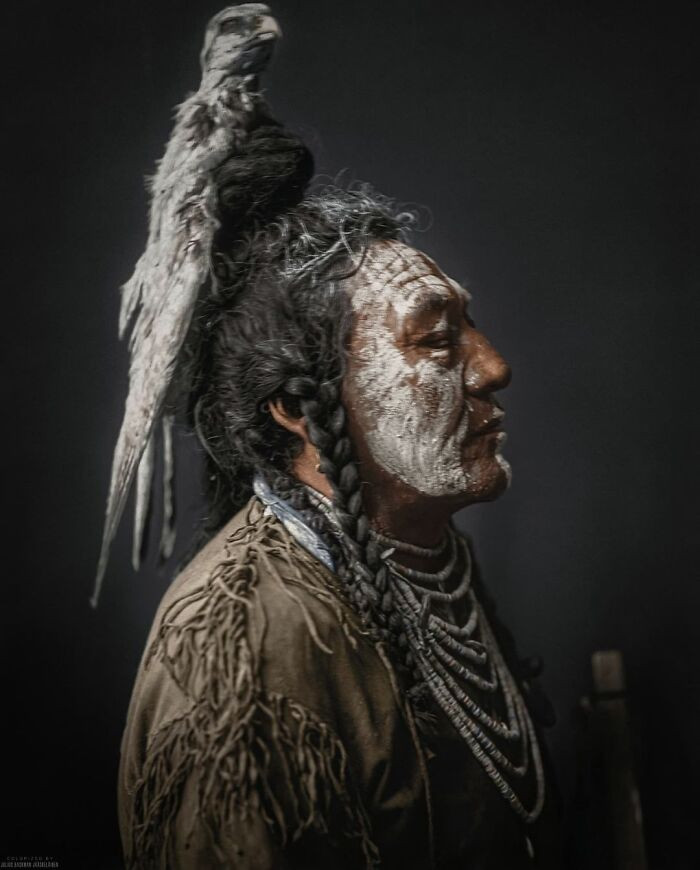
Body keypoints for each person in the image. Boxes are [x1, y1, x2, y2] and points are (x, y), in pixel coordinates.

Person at [104, 5, 562, 868]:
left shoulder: (421, 561)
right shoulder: (237, 653)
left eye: (470, 324)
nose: (493, 366)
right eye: (435, 338)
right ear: (296, 408)